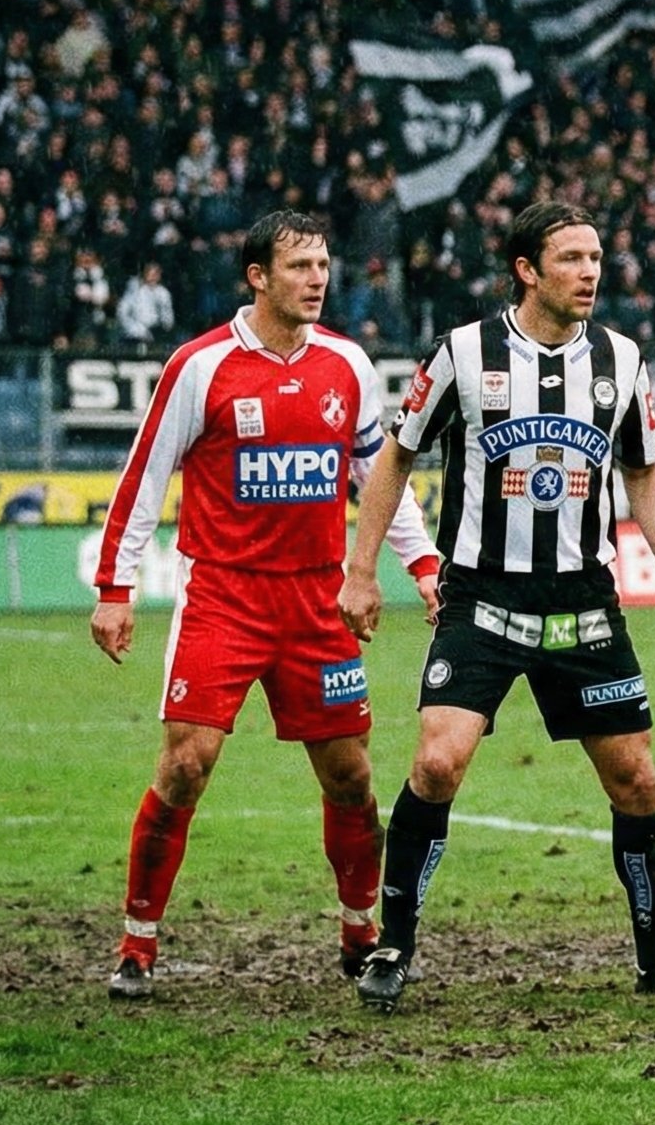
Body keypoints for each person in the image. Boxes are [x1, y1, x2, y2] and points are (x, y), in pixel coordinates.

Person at [338, 201, 655, 1011]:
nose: (591, 272)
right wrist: (361, 570)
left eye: (596, 257)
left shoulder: (620, 359)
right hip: (483, 595)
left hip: (583, 601)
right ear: (527, 270)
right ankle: (391, 948)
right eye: (573, 258)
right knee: (437, 762)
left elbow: (644, 472)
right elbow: (393, 459)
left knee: (637, 781)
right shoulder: (464, 354)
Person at [88, 209, 442, 1000]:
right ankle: (138, 943)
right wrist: (116, 589)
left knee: (350, 778)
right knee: (186, 764)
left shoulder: (348, 365)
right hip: (223, 596)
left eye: (323, 266)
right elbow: (144, 475)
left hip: (319, 601)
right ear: (258, 277)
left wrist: (419, 562)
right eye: (299, 267)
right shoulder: (200, 366)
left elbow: (374, 476)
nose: (317, 280)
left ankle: (360, 931)